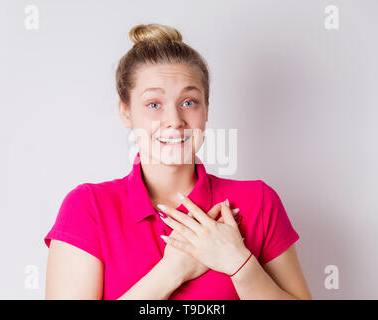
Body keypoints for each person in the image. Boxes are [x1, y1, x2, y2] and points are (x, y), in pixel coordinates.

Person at [44, 23, 312, 300]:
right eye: (153, 104)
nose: (174, 121)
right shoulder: (89, 208)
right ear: (126, 112)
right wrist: (173, 270)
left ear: (206, 109)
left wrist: (239, 264)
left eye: (189, 102)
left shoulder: (259, 201)